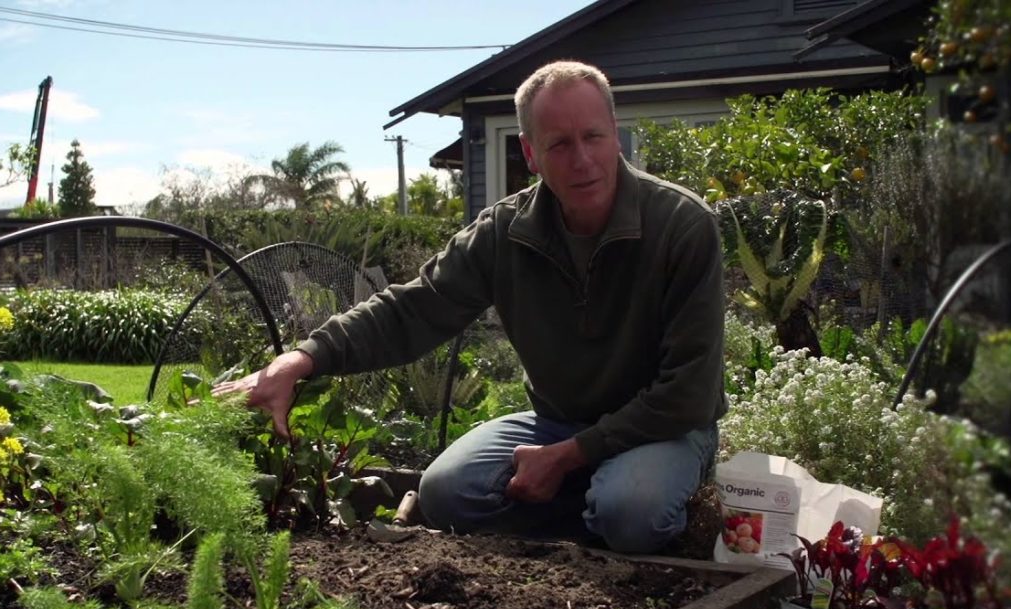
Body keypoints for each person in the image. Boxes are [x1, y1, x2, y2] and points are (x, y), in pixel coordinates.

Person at [213, 60, 726, 554]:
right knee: (444, 494)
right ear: (530, 152)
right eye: (560, 144)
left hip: (661, 430)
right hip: (557, 422)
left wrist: (569, 457)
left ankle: (641, 505)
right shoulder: (506, 233)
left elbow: (688, 393)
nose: (583, 159)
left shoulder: (681, 226)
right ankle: (594, 511)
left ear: (615, 133)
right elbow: (412, 309)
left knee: (632, 512)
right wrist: (301, 359)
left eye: (593, 136)